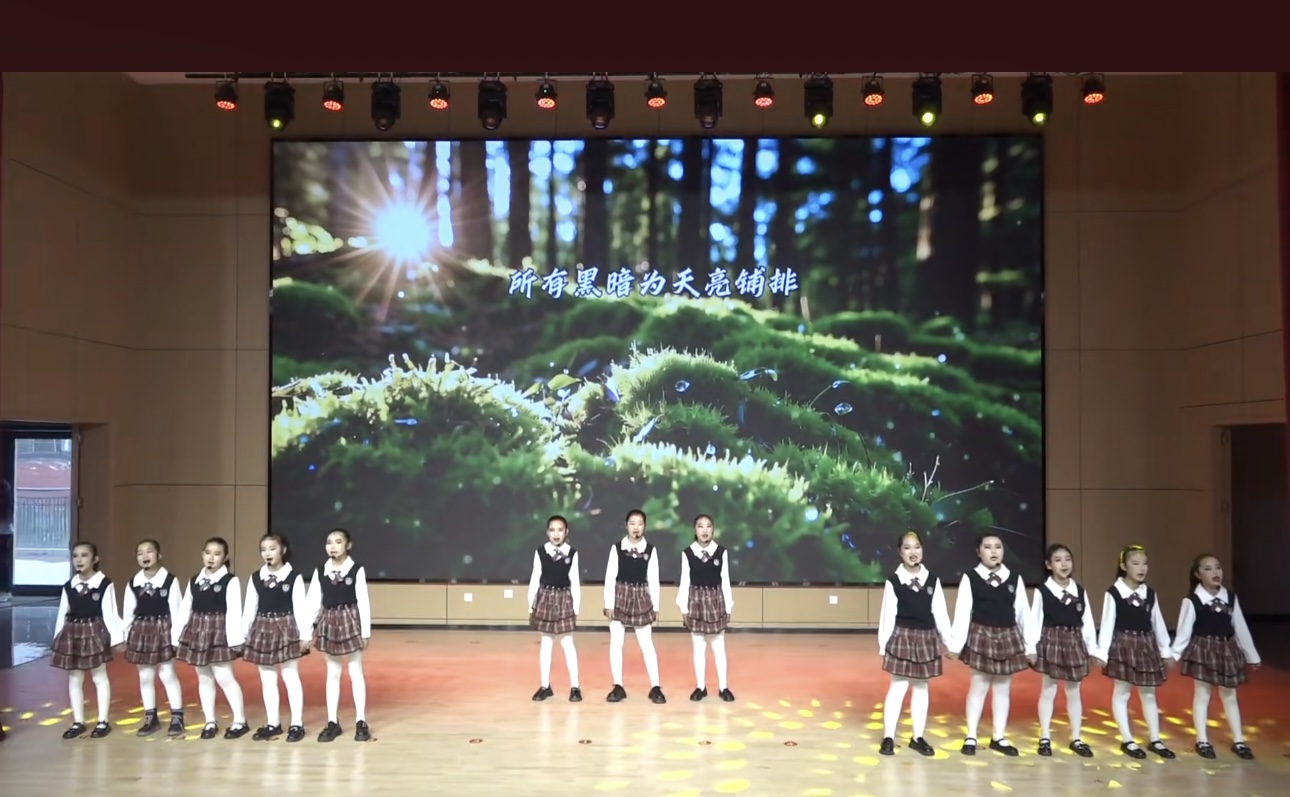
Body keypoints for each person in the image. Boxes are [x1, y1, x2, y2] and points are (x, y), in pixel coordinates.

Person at [949, 533, 1034, 756]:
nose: (994, 551)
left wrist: (1030, 647)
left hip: (1007, 636)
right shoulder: (971, 578)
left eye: (998, 547)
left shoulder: (1013, 578)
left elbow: (1023, 613)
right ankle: (971, 735)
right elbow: (963, 613)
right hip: (981, 635)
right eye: (987, 547)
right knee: (978, 687)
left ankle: (999, 737)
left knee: (1003, 689)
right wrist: (956, 645)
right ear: (978, 552)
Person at [1173, 553, 1261, 759]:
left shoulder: (1230, 597)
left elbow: (1240, 627)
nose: (1215, 572)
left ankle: (1239, 741)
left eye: (1218, 567)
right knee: (1202, 695)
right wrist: (1173, 654)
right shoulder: (1193, 600)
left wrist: (1252, 655)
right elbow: (1183, 632)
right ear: (1198, 574)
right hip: (1204, 650)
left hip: (1227, 649)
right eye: (1208, 569)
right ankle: (1202, 740)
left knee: (1229, 695)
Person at [876, 531, 952, 756]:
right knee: (898, 686)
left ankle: (917, 737)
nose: (913, 552)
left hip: (926, 637)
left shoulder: (932, 581)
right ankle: (888, 737)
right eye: (907, 547)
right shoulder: (894, 581)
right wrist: (884, 645)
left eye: (917, 546)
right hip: (902, 637)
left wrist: (948, 642)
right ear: (900, 552)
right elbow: (888, 615)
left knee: (921, 687)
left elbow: (940, 613)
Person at [1097, 544, 1176, 760]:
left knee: (1149, 692)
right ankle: (1127, 740)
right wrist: (1103, 653)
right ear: (1124, 566)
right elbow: (1107, 623)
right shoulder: (1114, 593)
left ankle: (1155, 739)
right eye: (1135, 563)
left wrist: (1165, 650)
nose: (1141, 568)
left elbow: (1157, 622)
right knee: (1122, 692)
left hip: (1146, 645)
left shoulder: (1149, 593)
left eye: (1144, 564)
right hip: (1123, 645)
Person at [1029, 543, 1102, 758]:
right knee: (1049, 689)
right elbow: (1035, 621)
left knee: (1074, 690)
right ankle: (1044, 736)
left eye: (1067, 559)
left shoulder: (1079, 590)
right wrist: (1031, 648)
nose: (1064, 564)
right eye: (1058, 560)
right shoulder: (1043, 591)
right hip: (1052, 639)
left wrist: (1092, 648)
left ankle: (1076, 738)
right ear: (1048, 565)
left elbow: (1087, 621)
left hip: (1074, 641)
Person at [175, 536, 250, 739]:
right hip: (197, 630)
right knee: (204, 676)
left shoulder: (229, 581)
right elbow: (185, 608)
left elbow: (234, 611)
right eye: (208, 553)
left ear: (225, 557)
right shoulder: (194, 580)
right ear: (202, 555)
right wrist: (176, 637)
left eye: (217, 554)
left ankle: (240, 720)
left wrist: (235, 641)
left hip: (218, 631)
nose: (211, 558)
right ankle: (210, 721)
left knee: (224, 676)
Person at [242, 533, 312, 742]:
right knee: (267, 678)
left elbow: (300, 608)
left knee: (290, 676)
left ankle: (297, 723)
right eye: (263, 549)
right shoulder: (256, 578)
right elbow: (249, 608)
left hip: (286, 628)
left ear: (283, 550)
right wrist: (243, 635)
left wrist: (305, 635)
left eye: (272, 548)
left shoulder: (293, 577)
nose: (267, 553)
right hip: (262, 628)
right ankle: (273, 723)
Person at [50, 541, 123, 739]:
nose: (79, 560)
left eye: (84, 555)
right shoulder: (69, 586)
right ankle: (78, 721)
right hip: (73, 632)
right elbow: (62, 614)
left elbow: (110, 613)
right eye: (75, 556)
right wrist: (57, 638)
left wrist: (116, 639)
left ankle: (103, 721)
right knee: (75, 677)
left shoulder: (104, 584)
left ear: (95, 559)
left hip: (94, 631)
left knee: (99, 676)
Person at [308, 528, 372, 741]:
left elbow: (363, 601)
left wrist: (365, 632)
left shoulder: (356, 570)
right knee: (333, 672)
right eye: (329, 542)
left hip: (350, 621)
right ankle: (332, 722)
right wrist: (306, 632)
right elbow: (313, 602)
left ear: (348, 545)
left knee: (355, 671)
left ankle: (361, 721)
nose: (332, 546)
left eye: (338, 542)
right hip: (329, 621)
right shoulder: (321, 571)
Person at [122, 538, 185, 737]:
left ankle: (177, 717)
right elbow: (128, 613)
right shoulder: (133, 583)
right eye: (140, 553)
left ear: (159, 555)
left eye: (149, 551)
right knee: (145, 675)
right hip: (141, 630)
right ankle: (151, 718)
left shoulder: (169, 581)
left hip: (163, 628)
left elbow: (177, 611)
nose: (145, 556)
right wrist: (126, 636)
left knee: (167, 673)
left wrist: (175, 638)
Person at [603, 509, 664, 704]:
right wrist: (608, 603)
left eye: (640, 523)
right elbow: (610, 577)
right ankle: (618, 686)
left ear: (645, 527)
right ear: (626, 525)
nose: (636, 527)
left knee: (647, 645)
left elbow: (653, 580)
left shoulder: (650, 551)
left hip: (641, 598)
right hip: (620, 597)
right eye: (632, 523)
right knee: (616, 644)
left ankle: (655, 687)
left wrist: (655, 606)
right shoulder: (617, 549)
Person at [678, 514, 735, 702]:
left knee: (719, 647)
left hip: (716, 601)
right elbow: (684, 582)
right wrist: (684, 608)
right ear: (695, 530)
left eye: (708, 526)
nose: (704, 530)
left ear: (713, 529)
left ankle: (723, 688)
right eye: (700, 526)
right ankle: (700, 687)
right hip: (695, 602)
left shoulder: (721, 552)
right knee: (699, 648)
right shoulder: (688, 553)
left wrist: (728, 607)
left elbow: (725, 581)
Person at [527, 515, 582, 702]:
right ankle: (545, 686)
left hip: (564, 599)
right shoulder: (541, 552)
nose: (556, 534)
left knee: (567, 643)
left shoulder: (572, 553)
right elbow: (535, 579)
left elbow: (575, 582)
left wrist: (575, 608)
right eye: (552, 530)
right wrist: (531, 605)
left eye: (560, 530)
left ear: (566, 532)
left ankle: (575, 687)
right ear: (547, 532)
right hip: (545, 599)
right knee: (546, 643)